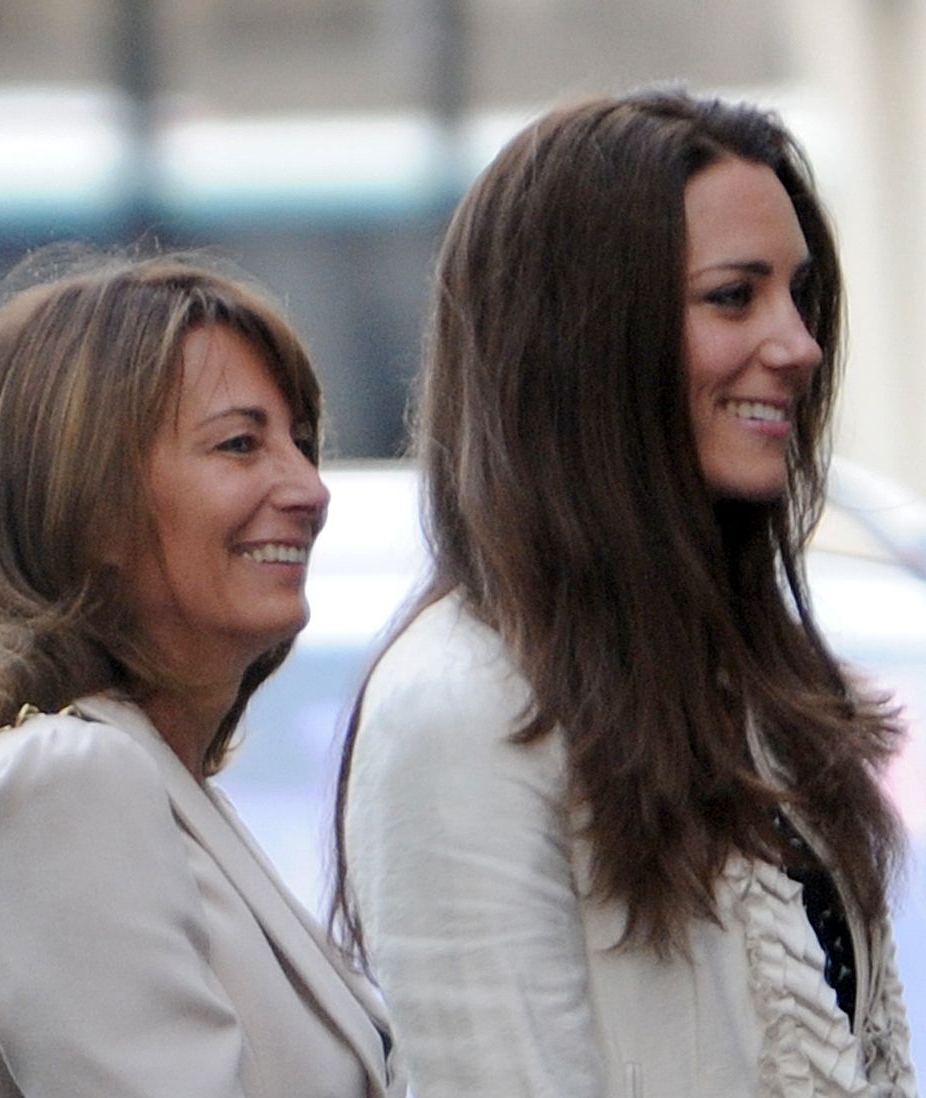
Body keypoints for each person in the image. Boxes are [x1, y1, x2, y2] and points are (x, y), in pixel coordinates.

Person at [333, 89, 918, 1096]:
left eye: (797, 295)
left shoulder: (742, 686)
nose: (796, 345)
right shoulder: (460, 710)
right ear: (587, 342)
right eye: (734, 296)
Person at [0, 250, 403, 1098]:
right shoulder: (64, 784)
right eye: (240, 444)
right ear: (90, 502)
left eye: (300, 444)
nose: (308, 489)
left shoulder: (149, 775)